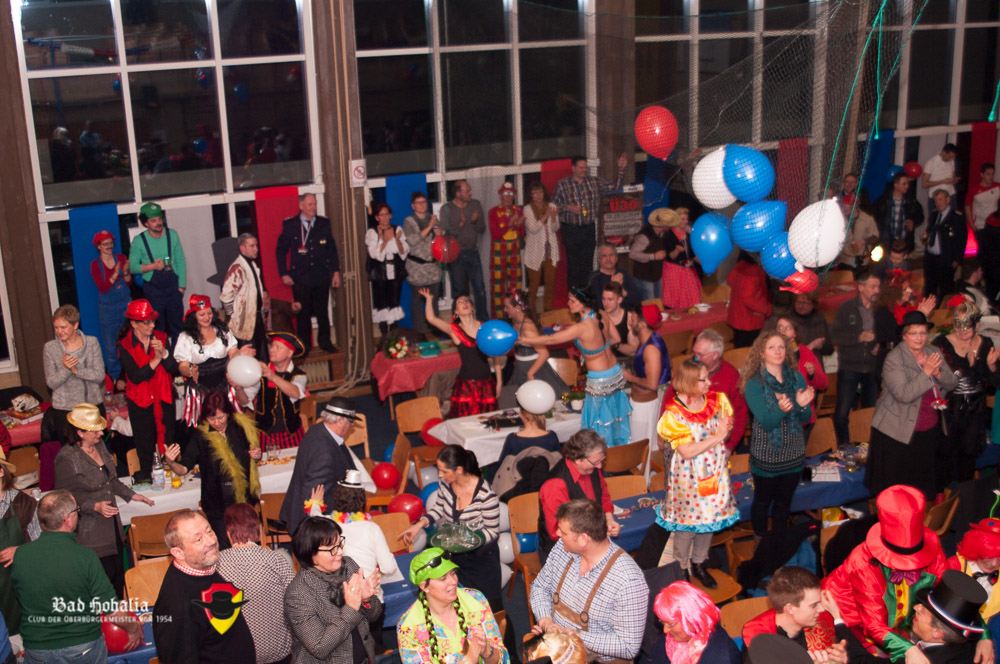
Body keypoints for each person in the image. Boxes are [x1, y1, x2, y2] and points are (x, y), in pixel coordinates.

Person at [821, 485, 956, 662]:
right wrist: (908, 649)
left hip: (898, 621)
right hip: (850, 619)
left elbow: (952, 594)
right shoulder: (863, 561)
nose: (908, 566)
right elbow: (873, 624)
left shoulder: (931, 547)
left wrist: (983, 635)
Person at [12, 491, 142, 663]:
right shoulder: (84, 556)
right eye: (76, 511)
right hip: (82, 646)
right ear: (67, 519)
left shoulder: (20, 555)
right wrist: (133, 628)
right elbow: (111, 609)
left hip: (37, 648)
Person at [636, 359, 737, 581]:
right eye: (703, 379)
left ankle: (700, 563)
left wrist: (725, 430)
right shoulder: (674, 414)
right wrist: (718, 436)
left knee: (708, 521)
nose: (709, 382)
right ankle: (681, 568)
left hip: (712, 472)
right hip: (688, 477)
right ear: (689, 381)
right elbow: (687, 451)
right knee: (687, 526)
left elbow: (723, 432)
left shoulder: (716, 401)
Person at [55, 403, 155, 596]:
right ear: (80, 432)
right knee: (101, 585)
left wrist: (131, 494)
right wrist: (93, 506)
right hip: (90, 533)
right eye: (95, 431)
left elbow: (110, 480)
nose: (101, 433)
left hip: (112, 528)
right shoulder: (66, 458)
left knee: (118, 578)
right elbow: (64, 497)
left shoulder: (99, 445)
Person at [530, 499, 647, 663]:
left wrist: (575, 636)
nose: (557, 534)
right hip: (559, 649)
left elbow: (628, 646)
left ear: (583, 539)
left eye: (563, 532)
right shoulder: (563, 548)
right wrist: (545, 620)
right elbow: (539, 586)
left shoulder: (627, 579)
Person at [866, 310, 958, 499]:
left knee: (922, 488)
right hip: (897, 432)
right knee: (898, 492)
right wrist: (926, 373)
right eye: (914, 333)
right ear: (904, 335)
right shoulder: (894, 358)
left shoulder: (933, 351)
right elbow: (904, 395)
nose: (919, 338)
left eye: (923, 332)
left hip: (928, 428)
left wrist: (939, 374)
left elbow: (952, 383)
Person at [400, 445, 503, 608]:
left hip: (480, 560)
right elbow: (438, 508)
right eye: (439, 470)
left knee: (486, 605)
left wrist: (469, 541)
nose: (439, 475)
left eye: (444, 471)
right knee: (455, 602)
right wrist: (419, 525)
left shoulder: (486, 496)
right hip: (453, 555)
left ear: (459, 470)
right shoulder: (445, 483)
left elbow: (493, 531)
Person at [530, 287, 631, 446]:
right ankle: (619, 455)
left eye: (572, 301)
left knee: (599, 428)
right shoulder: (602, 314)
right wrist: (597, 350)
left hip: (600, 380)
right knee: (614, 420)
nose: (568, 303)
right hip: (615, 373)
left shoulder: (581, 327)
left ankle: (604, 458)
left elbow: (550, 340)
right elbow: (616, 339)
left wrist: (524, 340)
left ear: (583, 304)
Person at [823, 568, 990, 664]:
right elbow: (968, 612)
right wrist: (985, 637)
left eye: (923, 611)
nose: (916, 607)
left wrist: (838, 618)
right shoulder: (968, 646)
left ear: (937, 633)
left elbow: (865, 662)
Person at [153, 510, 256, 664]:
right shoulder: (176, 606)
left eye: (209, 531)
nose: (211, 541)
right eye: (198, 539)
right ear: (178, 553)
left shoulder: (203, 568)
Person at [163, 391, 262, 549]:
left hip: (244, 501)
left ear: (228, 413)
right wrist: (171, 462)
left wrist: (256, 455)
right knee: (225, 549)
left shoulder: (240, 427)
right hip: (218, 506)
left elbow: (251, 457)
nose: (216, 423)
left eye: (220, 417)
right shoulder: (200, 436)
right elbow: (183, 469)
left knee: (250, 545)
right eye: (211, 419)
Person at [740, 330, 814, 538]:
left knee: (784, 504)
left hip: (794, 454)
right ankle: (761, 544)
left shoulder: (797, 378)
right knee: (762, 503)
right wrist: (785, 408)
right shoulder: (754, 384)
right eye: (771, 347)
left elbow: (806, 418)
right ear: (762, 353)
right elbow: (767, 421)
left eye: (781, 347)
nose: (778, 351)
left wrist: (802, 405)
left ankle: (780, 544)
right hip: (767, 457)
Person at [285, 516, 382, 664]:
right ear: (310, 554)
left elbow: (374, 616)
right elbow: (320, 648)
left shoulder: (348, 565)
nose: (340, 552)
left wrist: (366, 600)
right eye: (332, 549)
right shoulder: (298, 594)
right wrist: (351, 608)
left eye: (340, 544)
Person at [279, 397, 372, 536]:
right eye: (350, 422)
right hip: (313, 525)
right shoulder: (324, 453)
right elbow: (313, 495)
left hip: (298, 510)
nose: (350, 427)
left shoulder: (317, 430)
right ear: (340, 421)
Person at [397, 547, 508, 664]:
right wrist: (468, 661)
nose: (454, 581)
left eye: (453, 573)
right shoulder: (408, 628)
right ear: (424, 586)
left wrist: (486, 650)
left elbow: (502, 659)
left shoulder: (476, 600)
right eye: (443, 578)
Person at [216, 503, 295, 664]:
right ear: (258, 529)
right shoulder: (276, 560)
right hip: (278, 650)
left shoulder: (217, 565)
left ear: (228, 533)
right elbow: (296, 601)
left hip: (238, 654)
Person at [118, 298, 179, 482]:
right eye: (146, 323)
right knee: (144, 444)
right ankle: (148, 477)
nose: (152, 325)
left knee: (168, 440)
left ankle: (171, 473)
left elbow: (173, 368)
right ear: (133, 323)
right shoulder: (124, 345)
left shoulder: (161, 338)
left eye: (152, 321)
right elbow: (136, 376)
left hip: (164, 397)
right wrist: (156, 360)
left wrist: (164, 354)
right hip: (140, 401)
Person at [537, 430, 620, 562]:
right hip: (563, 551)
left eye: (601, 461)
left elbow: (603, 495)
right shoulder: (555, 485)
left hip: (589, 541)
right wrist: (593, 537)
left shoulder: (592, 468)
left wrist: (609, 519)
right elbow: (557, 532)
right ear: (578, 459)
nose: (599, 466)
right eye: (595, 462)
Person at [662, 328, 748, 452]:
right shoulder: (687, 371)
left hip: (716, 444)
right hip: (684, 440)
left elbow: (740, 413)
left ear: (715, 355)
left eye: (700, 355)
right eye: (694, 353)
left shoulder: (731, 375)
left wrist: (730, 447)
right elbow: (668, 400)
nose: (696, 358)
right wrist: (663, 433)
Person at [275, 193, 341, 354]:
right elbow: (280, 251)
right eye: (310, 204)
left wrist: (336, 272)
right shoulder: (290, 224)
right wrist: (284, 273)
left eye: (315, 204)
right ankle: (304, 344)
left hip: (321, 275)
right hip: (300, 277)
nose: (313, 208)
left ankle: (325, 342)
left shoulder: (323, 223)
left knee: (322, 311)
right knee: (302, 313)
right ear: (301, 206)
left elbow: (331, 250)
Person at [553, 153, 628, 290]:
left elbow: (614, 187)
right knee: (574, 266)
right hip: (570, 230)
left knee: (587, 265)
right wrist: (568, 207)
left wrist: (621, 170)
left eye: (585, 167)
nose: (584, 170)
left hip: (588, 229)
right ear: (573, 168)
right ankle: (574, 296)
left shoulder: (594, 182)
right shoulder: (563, 185)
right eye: (581, 167)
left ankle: (586, 294)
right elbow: (553, 206)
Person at [419, 288, 499, 417]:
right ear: (456, 311)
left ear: (472, 307)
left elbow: (496, 353)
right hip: (466, 385)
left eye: (467, 301)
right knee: (467, 423)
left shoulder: (485, 327)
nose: (464, 303)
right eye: (460, 302)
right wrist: (429, 299)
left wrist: (499, 382)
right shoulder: (454, 330)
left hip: (487, 383)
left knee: (488, 421)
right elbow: (431, 318)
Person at [174, 294, 250, 425]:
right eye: (202, 314)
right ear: (194, 316)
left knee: (230, 422)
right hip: (200, 389)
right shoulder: (185, 337)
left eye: (209, 313)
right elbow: (182, 366)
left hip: (224, 385)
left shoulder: (222, 331)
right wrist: (190, 371)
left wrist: (236, 361)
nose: (207, 317)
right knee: (204, 426)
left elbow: (233, 351)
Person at [742, 566, 841, 661]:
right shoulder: (760, 642)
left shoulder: (821, 621)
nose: (822, 609)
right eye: (814, 605)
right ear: (789, 609)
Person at [830, 269, 881, 446]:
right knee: (842, 412)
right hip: (849, 367)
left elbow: (888, 333)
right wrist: (858, 338)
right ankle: (844, 446)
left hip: (872, 367)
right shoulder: (846, 308)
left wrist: (880, 346)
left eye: (878, 287)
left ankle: (867, 446)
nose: (877, 290)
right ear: (861, 287)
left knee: (870, 412)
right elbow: (835, 336)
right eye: (873, 287)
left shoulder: (880, 309)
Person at [42, 304, 106, 445]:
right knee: (71, 453)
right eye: (56, 327)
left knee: (98, 450)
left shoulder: (92, 343)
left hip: (92, 408)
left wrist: (76, 371)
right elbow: (51, 382)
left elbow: (99, 375)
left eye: (63, 327)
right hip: (65, 412)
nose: (59, 331)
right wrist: (66, 369)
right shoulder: (50, 348)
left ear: (75, 325)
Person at [235, 331, 308, 450]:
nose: (272, 350)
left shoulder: (299, 375)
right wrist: (239, 390)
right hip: (266, 434)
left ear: (289, 353)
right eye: (272, 346)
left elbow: (295, 393)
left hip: (292, 432)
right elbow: (244, 401)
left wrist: (272, 376)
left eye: (278, 347)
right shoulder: (259, 373)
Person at [497, 289, 567, 410]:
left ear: (517, 308)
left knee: (538, 405)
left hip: (533, 370)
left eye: (507, 307)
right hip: (520, 369)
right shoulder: (515, 322)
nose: (505, 310)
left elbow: (544, 353)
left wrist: (530, 373)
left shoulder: (528, 327)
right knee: (514, 405)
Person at [643, 581, 740, 664]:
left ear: (691, 619)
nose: (665, 630)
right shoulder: (670, 640)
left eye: (670, 624)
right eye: (663, 622)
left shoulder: (720, 658)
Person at [129, 201, 187, 339]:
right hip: (153, 290)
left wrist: (182, 286)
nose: (158, 223)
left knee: (178, 326)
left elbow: (180, 260)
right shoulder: (139, 241)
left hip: (173, 287)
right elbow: (132, 267)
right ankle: (160, 352)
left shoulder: (172, 235)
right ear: (146, 223)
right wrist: (152, 266)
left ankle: (179, 353)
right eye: (153, 220)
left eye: (159, 219)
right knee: (156, 327)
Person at [0, 449, 39, 637]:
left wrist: (21, 551)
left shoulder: (25, 504)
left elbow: (44, 547)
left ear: (1, 471)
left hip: (19, 591)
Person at [441, 180, 489, 321]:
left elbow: (482, 229)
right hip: (456, 255)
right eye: (467, 191)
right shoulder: (447, 209)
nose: (470, 193)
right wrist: (460, 225)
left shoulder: (475, 205)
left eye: (470, 190)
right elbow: (445, 233)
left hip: (473, 252)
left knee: (479, 288)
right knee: (460, 292)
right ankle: (460, 322)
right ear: (458, 193)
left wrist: (474, 221)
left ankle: (483, 321)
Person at [623, 304, 670, 448]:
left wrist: (630, 378)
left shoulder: (651, 348)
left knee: (641, 448)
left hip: (646, 407)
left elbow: (652, 384)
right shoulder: (648, 340)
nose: (630, 322)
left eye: (633, 319)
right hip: (642, 403)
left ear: (642, 324)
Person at [949, 517, 1000, 641]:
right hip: (953, 633)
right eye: (988, 556)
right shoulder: (953, 567)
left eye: (999, 558)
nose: (994, 564)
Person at [221, 232, 270, 361]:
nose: (256, 249)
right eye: (252, 246)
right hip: (243, 324)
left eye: (256, 245)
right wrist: (233, 317)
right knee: (248, 359)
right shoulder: (237, 267)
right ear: (242, 248)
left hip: (256, 319)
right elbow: (226, 296)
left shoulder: (252, 265)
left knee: (262, 357)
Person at [90, 230, 132, 379]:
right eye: (105, 243)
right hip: (108, 309)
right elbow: (102, 287)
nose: (109, 246)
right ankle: (115, 378)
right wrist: (115, 273)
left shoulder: (121, 258)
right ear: (98, 246)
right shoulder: (95, 265)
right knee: (111, 345)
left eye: (111, 243)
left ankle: (132, 374)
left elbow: (129, 282)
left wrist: (125, 272)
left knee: (131, 340)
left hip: (125, 304)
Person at [775, 316, 828, 429]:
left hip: (803, 417)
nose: (782, 331)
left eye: (787, 328)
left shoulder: (805, 353)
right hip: (779, 418)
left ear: (794, 334)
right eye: (780, 327)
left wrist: (813, 373)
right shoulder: (770, 354)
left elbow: (823, 384)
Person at [365, 202, 408, 335]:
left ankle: (395, 333)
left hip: (395, 270)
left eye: (387, 214)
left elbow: (404, 253)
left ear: (390, 215)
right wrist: (384, 240)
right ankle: (384, 334)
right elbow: (374, 254)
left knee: (395, 302)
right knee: (382, 303)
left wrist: (397, 240)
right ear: (377, 217)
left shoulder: (397, 229)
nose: (384, 217)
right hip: (380, 272)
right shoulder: (372, 232)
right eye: (381, 215)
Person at [522, 181, 561, 313]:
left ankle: (547, 310)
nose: (538, 196)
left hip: (550, 249)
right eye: (535, 193)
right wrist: (545, 216)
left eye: (540, 192)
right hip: (535, 251)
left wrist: (554, 218)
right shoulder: (527, 209)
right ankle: (530, 312)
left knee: (550, 282)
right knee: (534, 284)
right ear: (530, 195)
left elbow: (555, 228)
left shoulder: (551, 206)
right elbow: (533, 228)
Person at [923, 188, 968, 301]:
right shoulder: (934, 215)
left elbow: (962, 239)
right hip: (931, 257)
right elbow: (930, 231)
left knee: (946, 288)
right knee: (930, 287)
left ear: (948, 200)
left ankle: (945, 309)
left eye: (940, 200)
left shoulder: (956, 217)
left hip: (946, 258)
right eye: (936, 200)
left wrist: (957, 258)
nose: (938, 203)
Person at [489, 182, 524, 318]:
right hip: (500, 251)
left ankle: (516, 315)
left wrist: (518, 225)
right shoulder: (493, 212)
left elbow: (521, 233)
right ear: (500, 195)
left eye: (511, 194)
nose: (508, 197)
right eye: (505, 194)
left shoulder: (518, 210)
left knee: (516, 284)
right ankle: (499, 317)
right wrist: (510, 223)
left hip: (514, 250)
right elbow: (495, 234)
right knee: (498, 285)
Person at [628, 207, 675, 301]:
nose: (670, 226)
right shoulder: (645, 236)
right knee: (650, 303)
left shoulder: (662, 234)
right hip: (644, 278)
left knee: (658, 302)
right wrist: (653, 256)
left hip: (656, 276)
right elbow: (632, 254)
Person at [728, 252, 772, 348]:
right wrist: (766, 309)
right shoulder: (754, 272)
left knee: (739, 348)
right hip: (749, 320)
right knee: (748, 350)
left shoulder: (741, 265)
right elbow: (748, 298)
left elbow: (730, 279)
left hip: (737, 317)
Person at [659, 207, 701, 310]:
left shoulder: (687, 234)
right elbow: (671, 256)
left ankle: (691, 317)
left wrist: (704, 264)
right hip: (674, 270)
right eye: (683, 219)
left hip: (687, 269)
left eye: (686, 219)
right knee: (675, 300)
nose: (685, 221)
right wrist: (678, 248)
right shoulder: (668, 235)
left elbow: (692, 254)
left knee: (694, 297)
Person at [874, 172, 923, 253]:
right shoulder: (883, 200)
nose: (907, 186)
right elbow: (876, 218)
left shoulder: (911, 201)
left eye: (908, 184)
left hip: (904, 241)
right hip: (886, 240)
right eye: (904, 184)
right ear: (896, 184)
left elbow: (920, 216)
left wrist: (913, 222)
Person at [588, 243, 641, 310]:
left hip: (626, 314)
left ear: (616, 258)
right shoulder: (594, 278)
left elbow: (637, 301)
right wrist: (613, 287)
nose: (608, 259)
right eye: (604, 256)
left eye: (611, 255)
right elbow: (600, 305)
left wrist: (622, 290)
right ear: (599, 259)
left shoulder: (624, 273)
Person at [789, 291, 833, 357]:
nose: (800, 306)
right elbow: (790, 354)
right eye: (798, 302)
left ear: (813, 305)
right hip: (797, 361)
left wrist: (821, 346)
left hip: (815, 360)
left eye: (805, 303)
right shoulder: (789, 320)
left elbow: (829, 350)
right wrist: (811, 346)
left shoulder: (819, 319)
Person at [601, 282, 637, 363]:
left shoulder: (630, 318)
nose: (605, 303)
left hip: (625, 363)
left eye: (610, 299)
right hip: (605, 363)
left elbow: (632, 351)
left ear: (619, 300)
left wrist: (615, 344)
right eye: (603, 299)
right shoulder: (598, 318)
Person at [839, 205, 880, 272]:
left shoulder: (867, 219)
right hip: (845, 260)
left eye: (845, 207)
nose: (843, 209)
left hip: (862, 261)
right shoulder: (840, 219)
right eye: (842, 207)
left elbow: (875, 237)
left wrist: (863, 241)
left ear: (853, 206)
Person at [922, 143, 960, 211]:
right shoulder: (931, 163)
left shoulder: (951, 161)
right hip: (936, 197)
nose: (950, 159)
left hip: (950, 195)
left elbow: (952, 177)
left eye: (952, 157)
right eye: (949, 156)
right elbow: (924, 184)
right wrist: (942, 181)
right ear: (943, 152)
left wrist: (954, 180)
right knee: (936, 217)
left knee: (953, 216)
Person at [966, 163, 1000, 235]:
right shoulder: (973, 190)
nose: (990, 177)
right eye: (988, 174)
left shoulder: (997, 187)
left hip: (995, 224)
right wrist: (972, 224)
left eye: (992, 174)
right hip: (980, 225)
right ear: (982, 174)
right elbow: (967, 207)